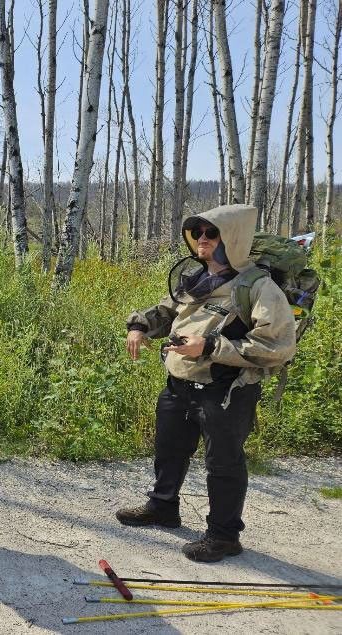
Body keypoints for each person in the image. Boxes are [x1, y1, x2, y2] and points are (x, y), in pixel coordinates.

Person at [116, 204, 296, 563]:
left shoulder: (259, 288)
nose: (201, 239)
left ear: (231, 238)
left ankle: (224, 536)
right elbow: (167, 310)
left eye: (210, 233)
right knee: (169, 448)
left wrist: (212, 346)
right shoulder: (196, 278)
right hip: (180, 382)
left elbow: (277, 346)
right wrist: (138, 326)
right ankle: (163, 507)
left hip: (225, 390)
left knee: (224, 463)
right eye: (197, 232)